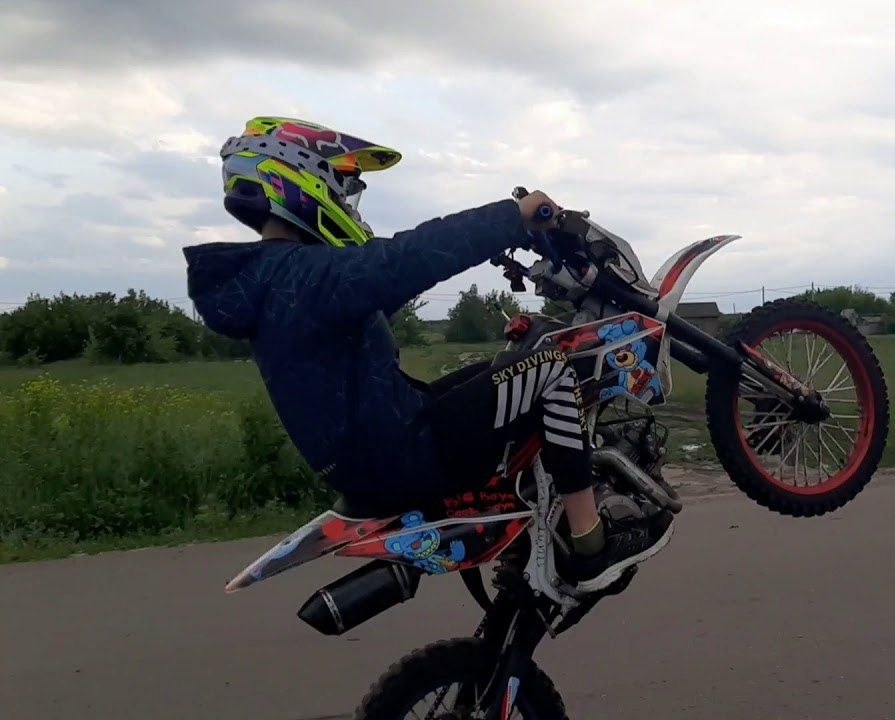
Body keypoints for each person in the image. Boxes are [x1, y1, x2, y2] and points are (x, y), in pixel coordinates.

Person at [184, 117, 672, 592]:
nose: (347, 203)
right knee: (553, 369)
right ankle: (591, 545)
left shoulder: (276, 282)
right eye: (344, 189)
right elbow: (407, 258)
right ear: (301, 180)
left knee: (509, 364)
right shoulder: (306, 275)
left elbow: (384, 285)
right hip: (401, 455)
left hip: (371, 455)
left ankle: (530, 518)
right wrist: (514, 217)